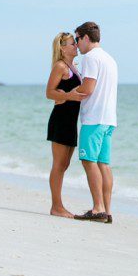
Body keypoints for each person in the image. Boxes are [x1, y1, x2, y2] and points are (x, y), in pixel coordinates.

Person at [72, 21, 118, 224]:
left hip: (93, 119)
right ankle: (107, 211)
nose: (76, 44)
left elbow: (88, 88)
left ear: (86, 38)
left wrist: (68, 94)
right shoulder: (109, 58)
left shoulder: (90, 57)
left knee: (88, 161)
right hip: (108, 119)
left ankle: (98, 208)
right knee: (103, 164)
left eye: (77, 39)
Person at [45, 32, 86, 218]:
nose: (76, 46)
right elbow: (49, 92)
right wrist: (67, 96)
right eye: (72, 44)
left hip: (71, 121)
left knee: (65, 164)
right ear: (62, 48)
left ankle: (58, 205)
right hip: (60, 119)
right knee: (59, 165)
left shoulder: (74, 66)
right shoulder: (60, 66)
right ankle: (56, 207)